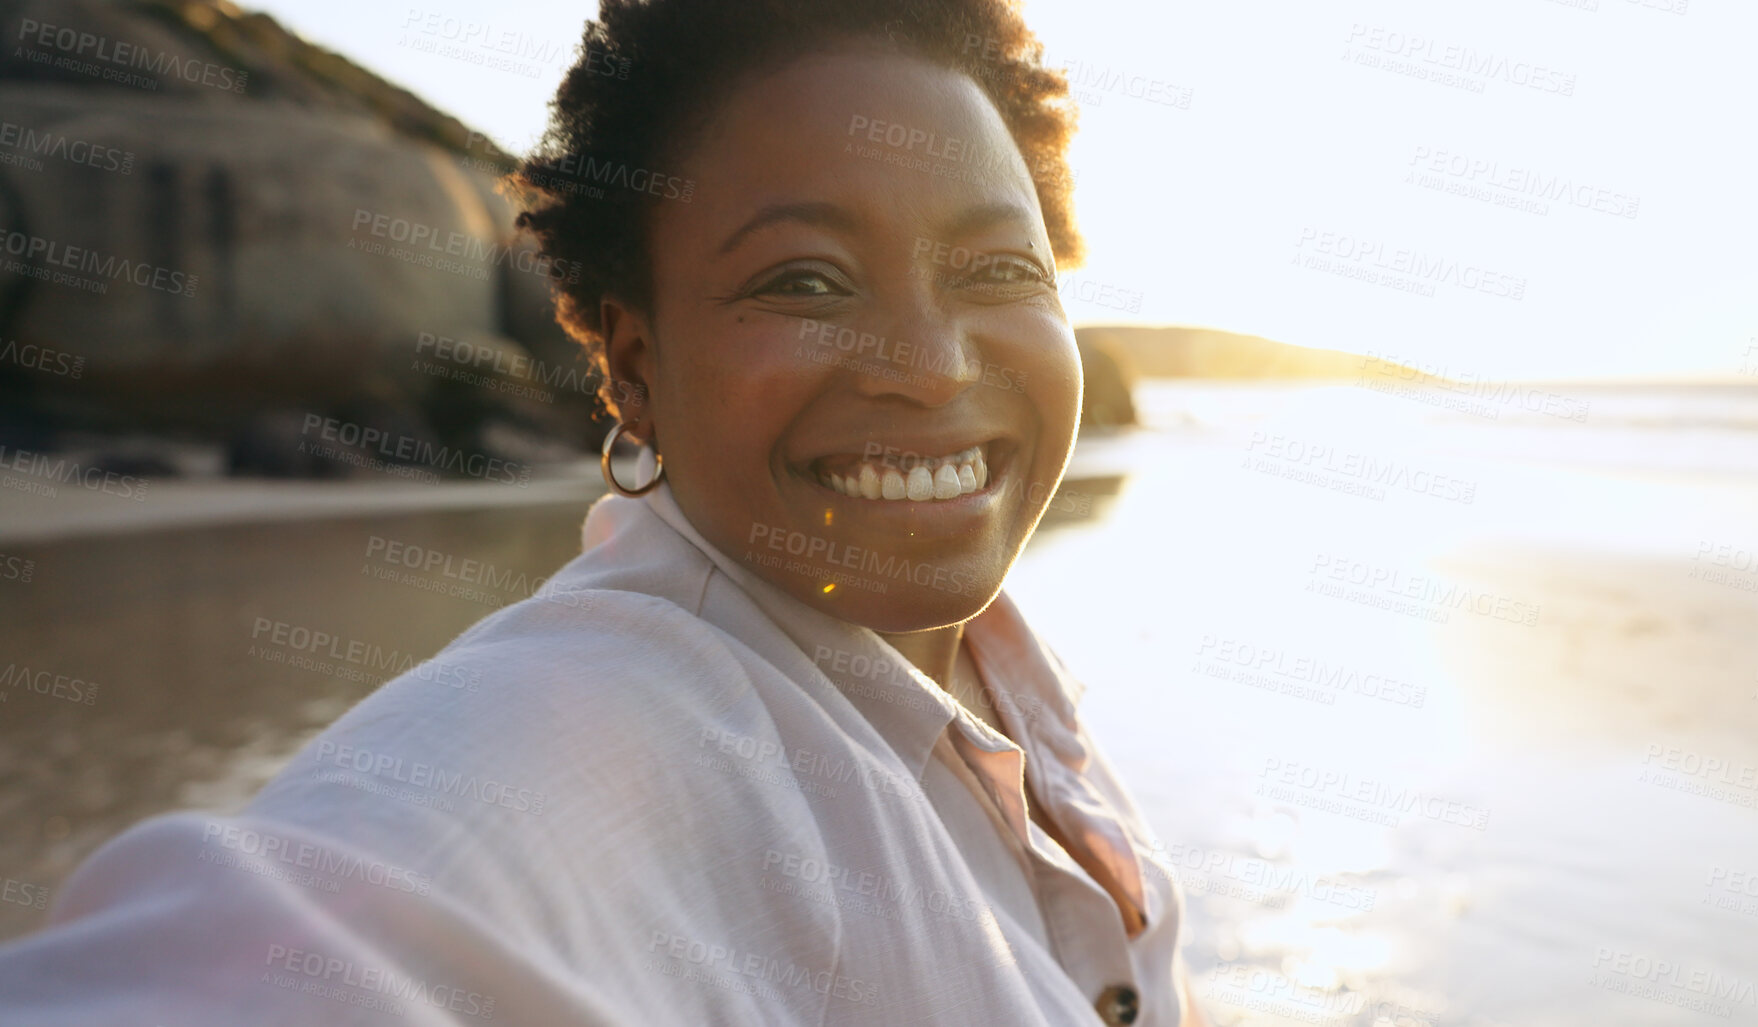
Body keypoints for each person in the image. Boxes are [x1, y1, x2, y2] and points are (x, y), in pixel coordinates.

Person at [0, 0, 1206, 1022]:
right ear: (633, 363)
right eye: (805, 279)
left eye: (999, 268)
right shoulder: (601, 726)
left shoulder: (1007, 682)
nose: (933, 365)